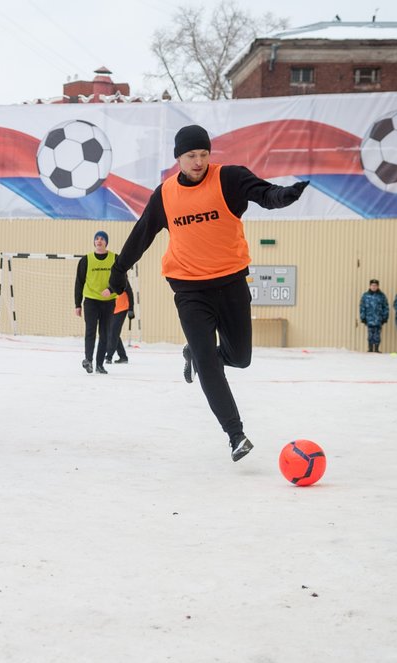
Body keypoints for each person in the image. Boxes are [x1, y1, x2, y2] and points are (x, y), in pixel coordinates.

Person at [108, 124, 309, 462]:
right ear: (178, 158)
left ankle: (200, 354)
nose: (198, 162)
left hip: (230, 282)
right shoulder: (166, 194)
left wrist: (283, 196)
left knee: (240, 358)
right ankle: (235, 434)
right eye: (191, 156)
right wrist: (119, 270)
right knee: (208, 362)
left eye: (203, 154)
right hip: (188, 288)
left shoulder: (228, 179)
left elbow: (264, 193)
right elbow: (142, 233)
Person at [74, 231, 117, 374]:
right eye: (97, 239)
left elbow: (122, 280)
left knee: (104, 333)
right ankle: (88, 361)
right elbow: (79, 283)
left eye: (102, 239)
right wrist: (77, 304)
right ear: (94, 242)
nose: (99, 241)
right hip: (91, 301)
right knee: (90, 331)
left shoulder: (115, 258)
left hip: (108, 301)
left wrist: (111, 290)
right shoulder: (86, 260)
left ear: (106, 242)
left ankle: (100, 364)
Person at [105, 280, 135, 365]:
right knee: (113, 332)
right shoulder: (105, 276)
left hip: (122, 308)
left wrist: (131, 309)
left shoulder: (122, 277)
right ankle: (123, 356)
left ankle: (109, 356)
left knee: (113, 332)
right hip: (112, 309)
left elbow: (130, 293)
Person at [359, 278, 389, 352]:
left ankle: (376, 349)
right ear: (370, 286)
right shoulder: (365, 296)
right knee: (370, 334)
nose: (374, 287)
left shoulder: (382, 296)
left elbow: (386, 307)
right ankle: (370, 348)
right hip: (369, 318)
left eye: (375, 285)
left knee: (377, 334)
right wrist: (363, 317)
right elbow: (362, 307)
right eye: (372, 285)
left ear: (378, 286)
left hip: (379, 318)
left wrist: (385, 317)